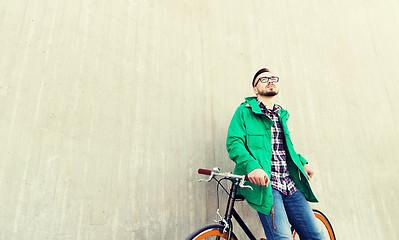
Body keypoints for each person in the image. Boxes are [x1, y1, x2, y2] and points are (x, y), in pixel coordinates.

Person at [226, 68, 326, 240]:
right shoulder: (244, 111)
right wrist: (253, 167)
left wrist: (302, 162)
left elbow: (285, 148)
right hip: (267, 187)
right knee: (283, 238)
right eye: (264, 79)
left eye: (273, 78)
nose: (270, 81)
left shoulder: (281, 114)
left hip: (289, 184)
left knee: (317, 236)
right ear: (255, 89)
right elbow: (234, 143)